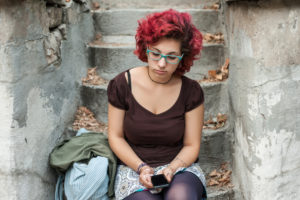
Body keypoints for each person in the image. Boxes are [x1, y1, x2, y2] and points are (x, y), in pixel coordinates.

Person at [107, 9, 207, 200]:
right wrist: (142, 168)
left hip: (179, 167)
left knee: (181, 197)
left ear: (182, 57)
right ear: (146, 48)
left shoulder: (191, 91)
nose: (162, 63)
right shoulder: (122, 84)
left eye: (171, 57)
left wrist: (171, 169)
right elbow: (115, 136)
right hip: (133, 168)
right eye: (156, 54)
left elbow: (192, 145)